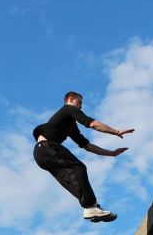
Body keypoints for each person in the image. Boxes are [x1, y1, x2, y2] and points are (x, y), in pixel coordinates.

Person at [32, 91, 134, 222]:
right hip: (47, 147)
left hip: (42, 154)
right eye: (79, 102)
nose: (80, 107)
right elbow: (90, 123)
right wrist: (116, 131)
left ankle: (90, 207)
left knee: (70, 178)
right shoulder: (68, 109)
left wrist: (111, 153)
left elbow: (86, 145)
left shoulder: (70, 125)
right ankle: (90, 206)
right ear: (70, 100)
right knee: (78, 167)